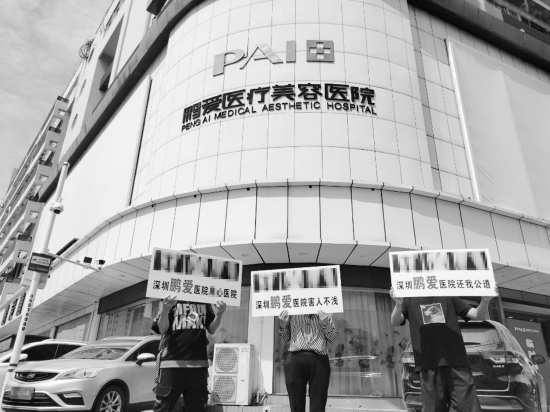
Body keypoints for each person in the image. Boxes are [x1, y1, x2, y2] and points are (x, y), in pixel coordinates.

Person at [390, 286, 499, 412]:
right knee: (432, 409)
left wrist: (485, 300)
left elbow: (477, 315)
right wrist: (398, 304)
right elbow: (395, 321)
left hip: (456, 362)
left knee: (468, 407)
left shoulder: (448, 296)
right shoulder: (409, 300)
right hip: (428, 363)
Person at [152, 295, 226, 412]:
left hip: (199, 365)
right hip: (172, 364)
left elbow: (211, 329)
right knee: (163, 408)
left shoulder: (204, 301)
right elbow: (162, 329)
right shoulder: (170, 298)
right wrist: (165, 311)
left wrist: (219, 314)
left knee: (198, 408)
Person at [278, 309, 338, 412]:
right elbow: (287, 338)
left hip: (319, 360)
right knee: (296, 404)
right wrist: (283, 326)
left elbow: (333, 338)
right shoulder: (292, 310)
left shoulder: (325, 312)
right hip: (295, 358)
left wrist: (326, 324)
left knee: (318, 405)